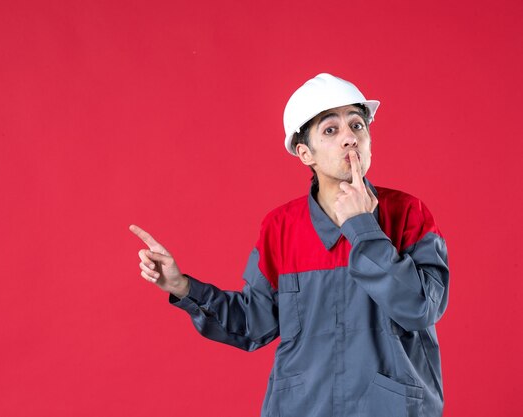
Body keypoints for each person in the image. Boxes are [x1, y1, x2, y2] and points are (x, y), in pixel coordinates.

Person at [129, 73, 449, 417]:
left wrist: (364, 229)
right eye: (331, 130)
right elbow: (254, 324)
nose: (349, 139)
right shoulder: (280, 228)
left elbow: (420, 308)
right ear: (304, 153)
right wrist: (182, 287)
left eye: (357, 126)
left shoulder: (408, 214)